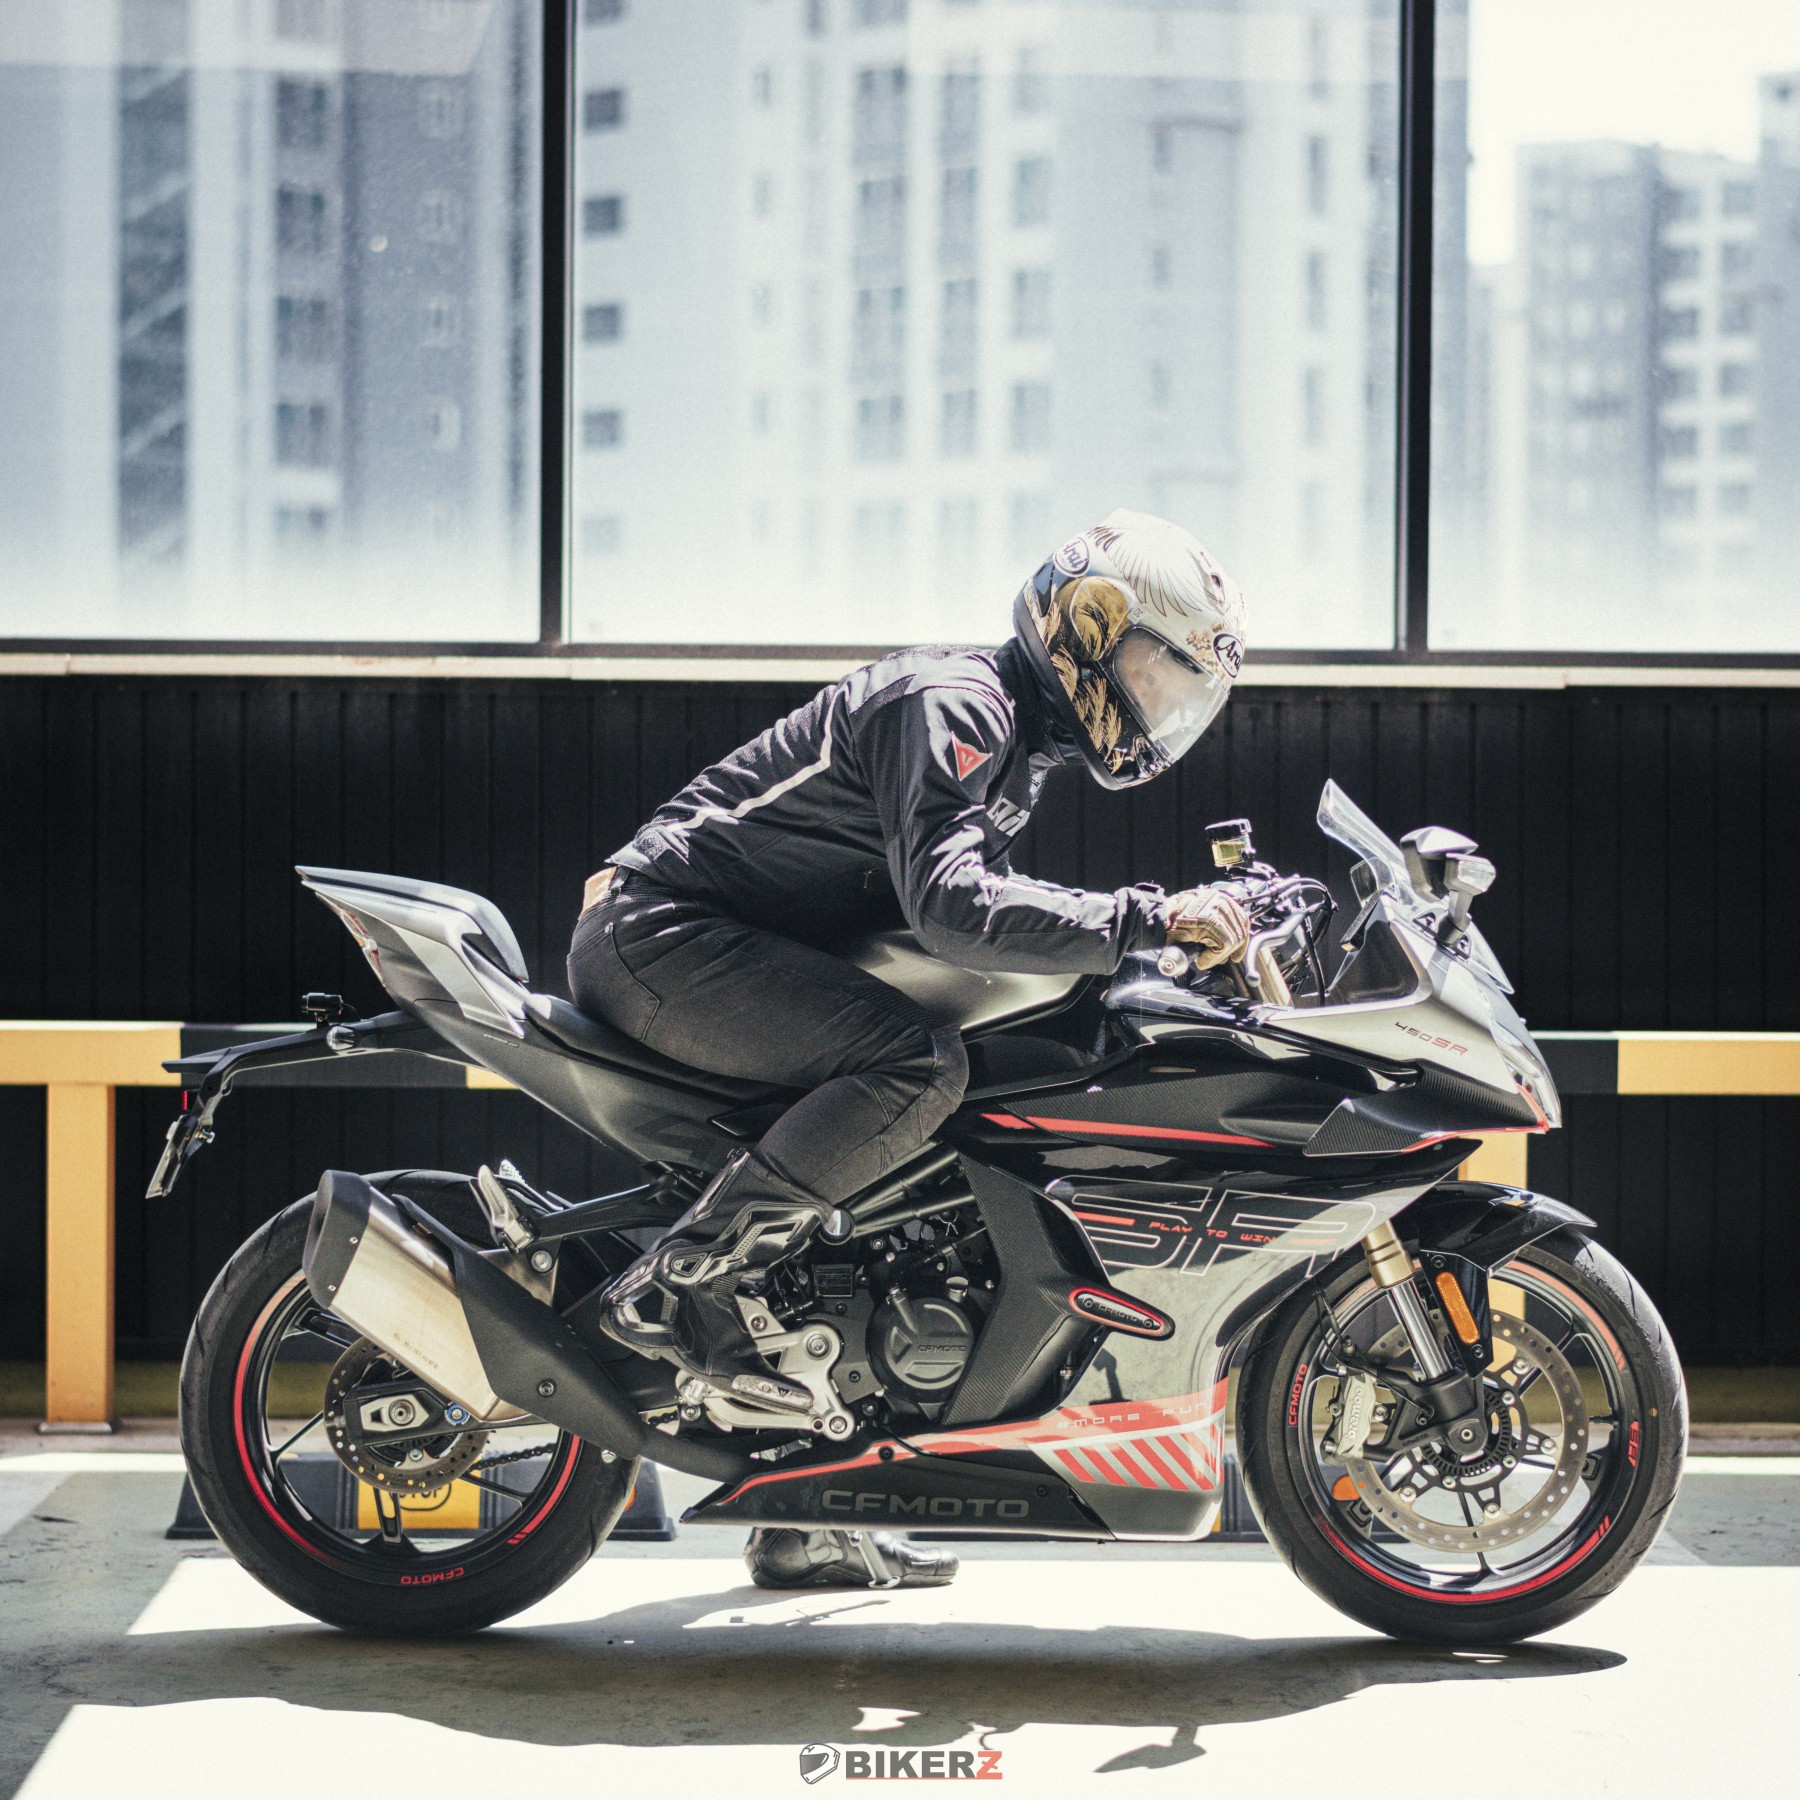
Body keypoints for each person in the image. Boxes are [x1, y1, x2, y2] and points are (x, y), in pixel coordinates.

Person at [567, 509, 1252, 1589]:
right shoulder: (955, 702)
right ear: (1086, 629)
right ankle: (679, 1283)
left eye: (1180, 690)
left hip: (717, 948)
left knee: (909, 1155)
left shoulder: (1015, 744)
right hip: (661, 937)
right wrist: (1145, 920)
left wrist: (1134, 943)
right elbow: (951, 903)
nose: (1161, 706)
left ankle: (806, 1512)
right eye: (1152, 672)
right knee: (919, 1068)